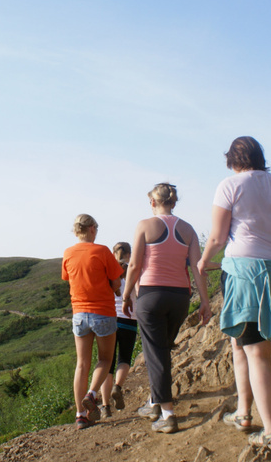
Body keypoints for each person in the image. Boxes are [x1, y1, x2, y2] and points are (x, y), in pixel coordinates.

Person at [197, 136, 271, 451]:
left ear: (233, 160)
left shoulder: (229, 186)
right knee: (240, 343)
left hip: (243, 272)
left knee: (256, 350)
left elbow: (218, 237)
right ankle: (244, 412)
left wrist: (204, 261)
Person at [122, 183, 213, 434]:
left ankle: (168, 414)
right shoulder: (188, 229)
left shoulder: (144, 225)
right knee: (161, 351)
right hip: (180, 298)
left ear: (152, 202)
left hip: (151, 296)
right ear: (174, 202)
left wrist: (127, 294)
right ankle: (154, 403)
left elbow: (134, 265)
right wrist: (205, 301)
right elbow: (198, 267)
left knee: (156, 354)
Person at [61, 214, 124, 429]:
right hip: (103, 312)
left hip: (79, 313)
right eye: (96, 227)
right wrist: (115, 288)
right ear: (91, 229)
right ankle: (92, 393)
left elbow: (68, 278)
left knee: (81, 364)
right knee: (105, 360)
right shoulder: (103, 251)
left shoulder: (68, 253)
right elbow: (116, 282)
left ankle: (80, 415)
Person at [98, 242, 134, 418]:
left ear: (113, 254)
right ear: (129, 254)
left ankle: (105, 407)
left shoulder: (107, 272)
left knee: (107, 364)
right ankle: (118, 387)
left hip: (109, 319)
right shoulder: (134, 271)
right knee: (124, 358)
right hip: (129, 319)